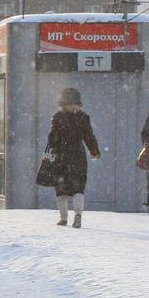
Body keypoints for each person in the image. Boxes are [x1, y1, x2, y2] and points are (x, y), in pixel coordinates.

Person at [41, 87, 100, 228]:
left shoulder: (58, 117)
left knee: (60, 187)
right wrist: (94, 151)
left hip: (61, 155)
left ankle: (63, 218)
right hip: (78, 155)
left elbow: (52, 138)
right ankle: (78, 215)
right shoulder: (83, 118)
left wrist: (53, 149)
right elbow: (89, 136)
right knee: (78, 186)